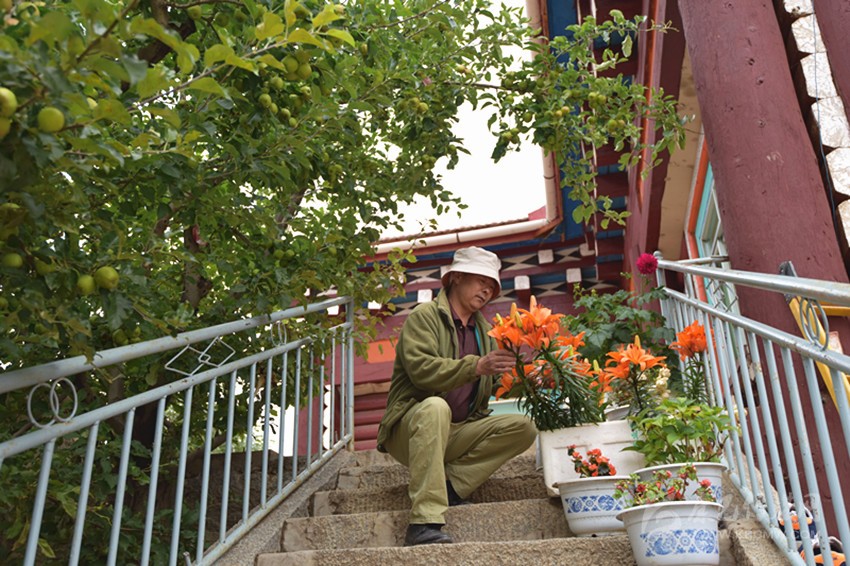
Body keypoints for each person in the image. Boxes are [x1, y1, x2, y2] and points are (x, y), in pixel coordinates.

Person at [375, 246, 537, 546]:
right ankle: (423, 522)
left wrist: (529, 380)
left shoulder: (485, 332)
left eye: (492, 286)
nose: (487, 290)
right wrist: (476, 366)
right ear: (457, 277)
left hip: (457, 433)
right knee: (435, 407)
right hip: (412, 430)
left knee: (523, 427)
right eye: (481, 281)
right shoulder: (424, 316)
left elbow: (494, 382)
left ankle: (449, 488)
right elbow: (422, 371)